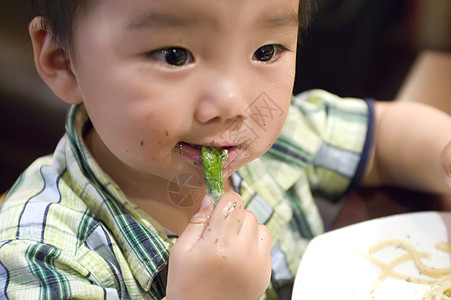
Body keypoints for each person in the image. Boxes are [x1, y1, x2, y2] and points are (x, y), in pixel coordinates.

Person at [0, 0, 450, 299]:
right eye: (174, 55)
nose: (234, 104)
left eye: (266, 50)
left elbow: (383, 137)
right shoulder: (39, 257)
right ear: (62, 60)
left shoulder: (277, 137)